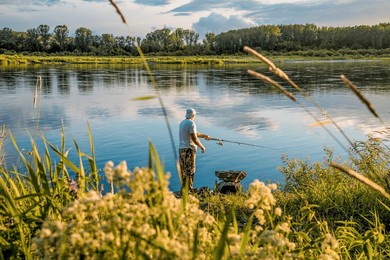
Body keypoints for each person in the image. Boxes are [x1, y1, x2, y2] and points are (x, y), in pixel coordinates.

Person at [179, 108, 211, 192]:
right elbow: (194, 138)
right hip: (189, 149)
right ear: (193, 115)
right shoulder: (192, 123)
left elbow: (195, 133)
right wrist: (202, 146)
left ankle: (184, 189)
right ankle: (189, 189)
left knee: (184, 169)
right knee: (190, 169)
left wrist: (204, 136)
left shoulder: (183, 123)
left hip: (181, 149)